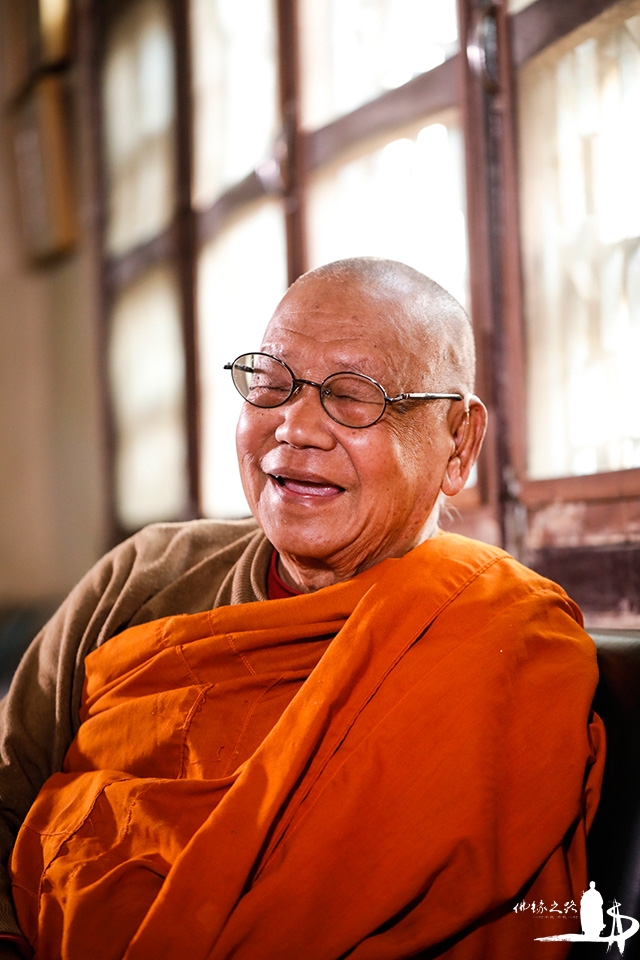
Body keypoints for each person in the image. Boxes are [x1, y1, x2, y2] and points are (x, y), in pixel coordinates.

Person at [0, 258, 604, 959]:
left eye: (353, 395)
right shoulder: (143, 577)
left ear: (458, 444)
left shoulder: (501, 638)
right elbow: (10, 797)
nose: (294, 427)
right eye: (271, 384)